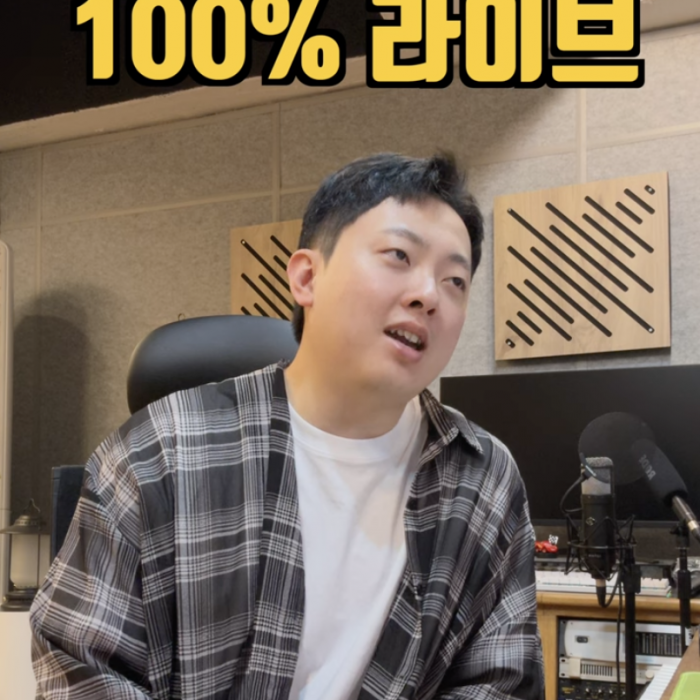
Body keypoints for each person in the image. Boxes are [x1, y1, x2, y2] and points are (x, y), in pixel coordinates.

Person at [30, 152, 544, 700]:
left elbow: (501, 683)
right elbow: (78, 671)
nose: (429, 294)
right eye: (399, 255)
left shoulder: (483, 477)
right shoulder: (160, 451)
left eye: (455, 280)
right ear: (306, 277)